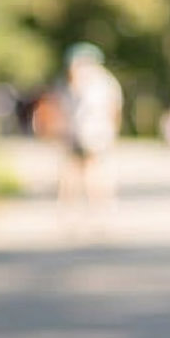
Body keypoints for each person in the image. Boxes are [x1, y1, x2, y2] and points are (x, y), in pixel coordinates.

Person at [56, 42, 124, 214]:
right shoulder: (104, 81)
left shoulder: (97, 83)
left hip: (93, 130)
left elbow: (112, 109)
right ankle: (80, 206)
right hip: (83, 130)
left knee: (92, 168)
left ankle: (97, 205)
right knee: (76, 169)